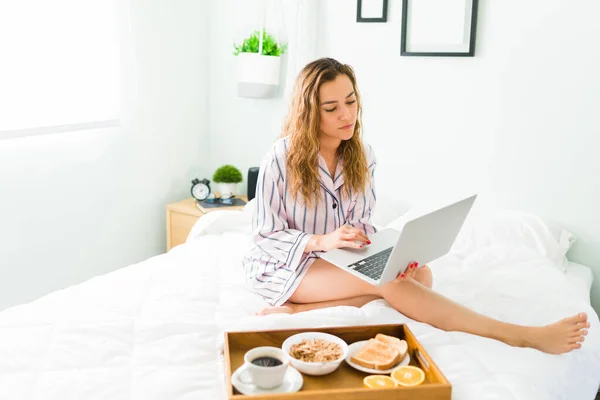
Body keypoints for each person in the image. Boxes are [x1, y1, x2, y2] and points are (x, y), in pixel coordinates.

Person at [241, 57, 589, 354]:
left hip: (336, 263)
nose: (346, 115)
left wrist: (383, 251)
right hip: (285, 267)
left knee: (420, 275)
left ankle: (294, 314)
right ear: (309, 113)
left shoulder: (362, 156)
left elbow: (359, 225)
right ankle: (521, 336)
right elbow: (264, 235)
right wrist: (322, 241)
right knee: (390, 285)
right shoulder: (282, 156)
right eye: (332, 108)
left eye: (351, 101)